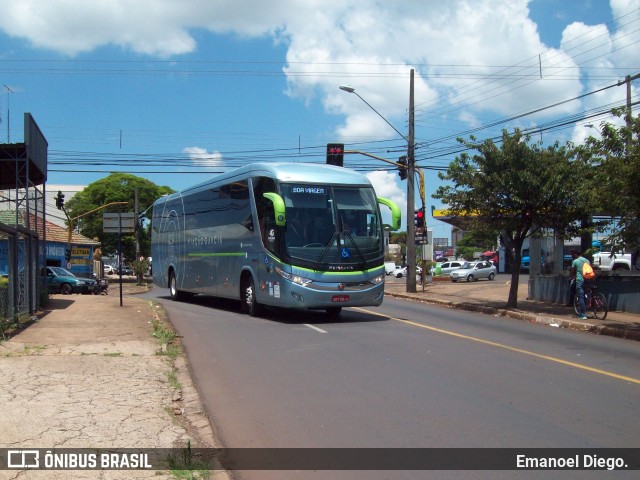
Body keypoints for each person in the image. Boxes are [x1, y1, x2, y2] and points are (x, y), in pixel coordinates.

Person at [570, 249, 591, 320]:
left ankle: (583, 314)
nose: (572, 256)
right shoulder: (587, 261)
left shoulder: (575, 261)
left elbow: (572, 271)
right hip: (587, 279)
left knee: (580, 296)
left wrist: (572, 277)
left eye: (573, 255)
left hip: (580, 280)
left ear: (576, 254)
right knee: (586, 293)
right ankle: (588, 303)